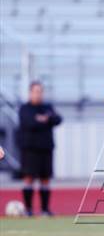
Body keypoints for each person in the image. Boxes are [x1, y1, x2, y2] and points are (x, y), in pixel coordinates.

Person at [18, 81, 62, 216]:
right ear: (30, 93)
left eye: (40, 91)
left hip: (46, 148)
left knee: (45, 179)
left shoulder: (47, 107)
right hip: (30, 149)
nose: (38, 94)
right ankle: (28, 209)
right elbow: (28, 122)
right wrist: (44, 120)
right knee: (28, 178)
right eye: (35, 91)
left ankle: (45, 209)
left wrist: (45, 119)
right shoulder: (25, 108)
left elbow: (57, 119)